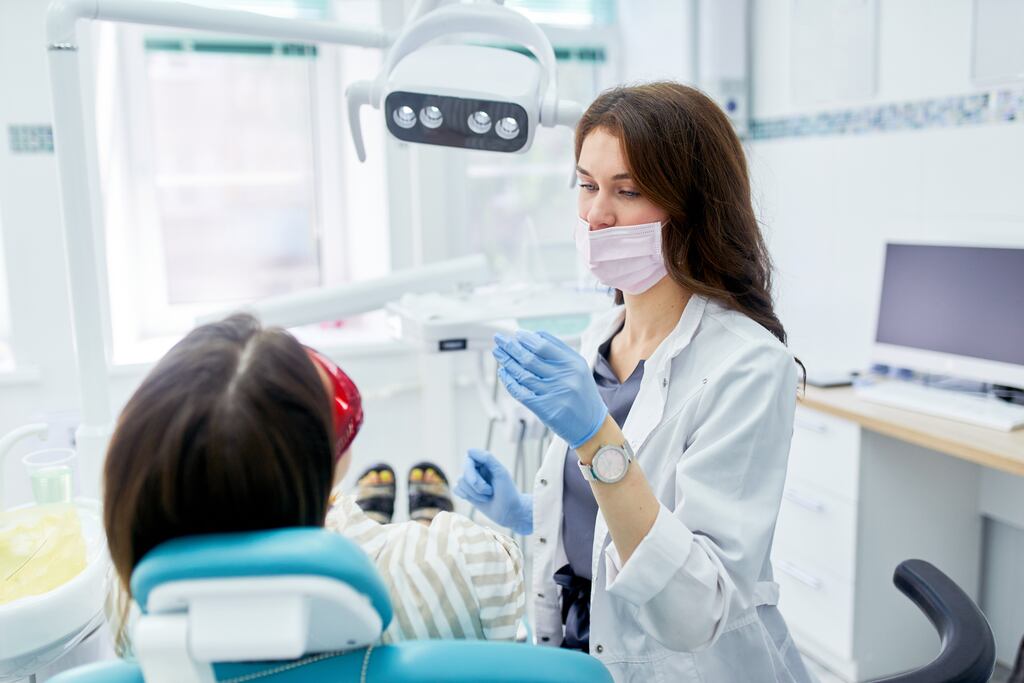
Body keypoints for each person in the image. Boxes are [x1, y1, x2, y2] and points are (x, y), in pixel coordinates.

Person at [454, 82, 813, 682]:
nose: (596, 215)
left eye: (627, 191)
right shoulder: (601, 335)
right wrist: (526, 512)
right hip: (577, 649)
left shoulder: (748, 366)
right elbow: (608, 525)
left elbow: (697, 609)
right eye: (588, 186)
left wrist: (597, 437)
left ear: (693, 208)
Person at [103, 314, 524, 655]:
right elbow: (511, 587)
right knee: (413, 542)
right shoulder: (460, 560)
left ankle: (369, 519)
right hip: (410, 578)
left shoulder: (132, 605)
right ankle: (412, 520)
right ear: (330, 463)